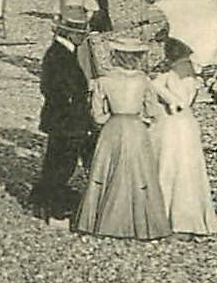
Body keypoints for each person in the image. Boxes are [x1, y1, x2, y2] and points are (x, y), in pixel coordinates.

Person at [72, 36, 171, 240]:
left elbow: (97, 114)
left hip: (113, 127)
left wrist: (111, 118)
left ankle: (104, 221)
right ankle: (141, 224)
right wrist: (142, 119)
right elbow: (153, 110)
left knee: (108, 169)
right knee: (139, 173)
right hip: (135, 127)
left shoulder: (104, 80)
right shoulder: (144, 81)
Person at [30, 6, 97, 226]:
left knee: (57, 161)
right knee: (62, 163)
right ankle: (53, 208)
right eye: (81, 34)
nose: (83, 37)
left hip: (60, 118)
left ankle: (46, 201)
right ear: (72, 34)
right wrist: (78, 102)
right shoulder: (60, 56)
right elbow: (57, 89)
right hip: (67, 120)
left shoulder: (59, 52)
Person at [150, 37, 217, 237]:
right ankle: (186, 218)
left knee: (169, 166)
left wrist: (164, 91)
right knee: (186, 168)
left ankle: (169, 217)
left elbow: (174, 98)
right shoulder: (191, 70)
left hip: (173, 123)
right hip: (186, 123)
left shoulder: (175, 72)